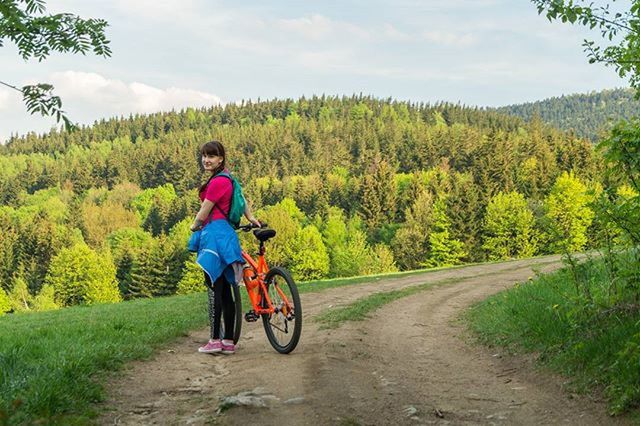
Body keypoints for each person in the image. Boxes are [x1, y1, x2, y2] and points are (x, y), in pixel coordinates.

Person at [190, 140, 260, 355]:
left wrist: (195, 225)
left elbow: (205, 209)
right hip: (228, 236)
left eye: (211, 156)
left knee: (214, 290)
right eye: (204, 156)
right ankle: (228, 341)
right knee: (226, 293)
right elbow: (242, 201)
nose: (206, 160)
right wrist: (251, 217)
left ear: (221, 158)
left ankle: (214, 340)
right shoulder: (229, 178)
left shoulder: (217, 182)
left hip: (214, 236)